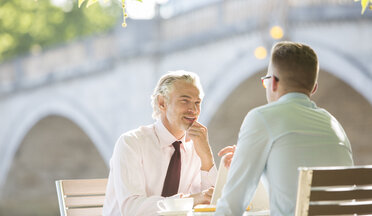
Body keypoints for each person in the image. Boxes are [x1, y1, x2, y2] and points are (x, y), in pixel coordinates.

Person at [214, 41, 354, 216]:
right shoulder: (334, 124)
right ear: (314, 88)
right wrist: (249, 157)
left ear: (272, 83)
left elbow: (231, 206)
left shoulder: (261, 118)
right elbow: (291, 186)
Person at [103, 70, 217, 216]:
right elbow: (132, 208)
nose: (194, 110)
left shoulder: (196, 147)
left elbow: (211, 203)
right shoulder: (131, 143)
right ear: (162, 103)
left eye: (197, 103)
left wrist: (207, 157)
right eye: (185, 101)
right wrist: (190, 200)